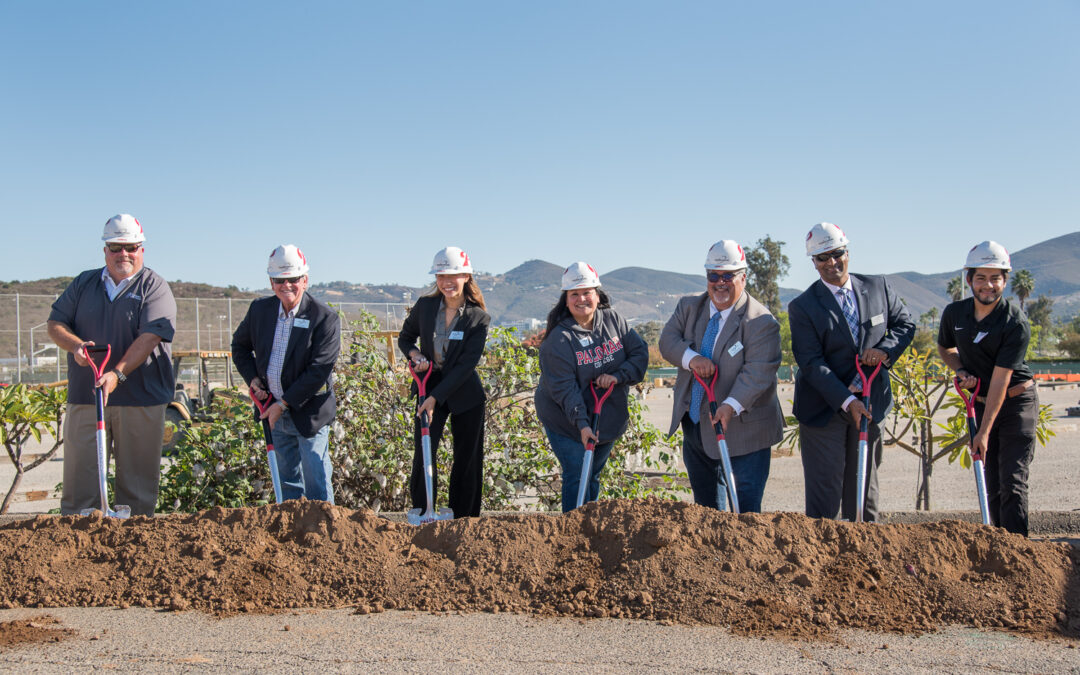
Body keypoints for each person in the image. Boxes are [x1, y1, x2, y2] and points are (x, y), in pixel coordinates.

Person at [47, 214, 177, 516]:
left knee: (137, 492)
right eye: (116, 247)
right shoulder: (83, 283)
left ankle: (135, 551)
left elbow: (150, 337)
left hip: (141, 399)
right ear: (105, 250)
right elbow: (55, 324)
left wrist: (117, 373)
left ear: (141, 249)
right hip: (86, 397)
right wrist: (75, 345)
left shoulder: (154, 287)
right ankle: (76, 552)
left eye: (131, 247)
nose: (124, 254)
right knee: (80, 491)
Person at [788, 222, 915, 522]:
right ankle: (822, 562)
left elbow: (905, 325)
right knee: (825, 499)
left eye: (837, 253)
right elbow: (811, 362)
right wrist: (847, 401)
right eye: (822, 258)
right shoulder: (803, 306)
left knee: (864, 493)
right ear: (814, 263)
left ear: (847, 251)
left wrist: (885, 350)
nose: (832, 263)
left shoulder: (878, 287)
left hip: (871, 402)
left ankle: (865, 561)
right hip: (824, 407)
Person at [659, 240, 784, 512]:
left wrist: (729, 406)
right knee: (708, 515)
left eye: (728, 275)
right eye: (713, 276)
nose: (720, 283)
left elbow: (759, 372)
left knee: (746, 512)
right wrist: (693, 359)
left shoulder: (761, 321)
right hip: (696, 428)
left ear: (743, 277)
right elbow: (667, 341)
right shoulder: (689, 307)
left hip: (744, 431)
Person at [938, 241, 1037, 536]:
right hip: (982, 401)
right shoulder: (955, 314)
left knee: (1012, 484)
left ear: (1005, 280)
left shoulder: (1014, 322)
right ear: (969, 279)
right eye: (981, 277)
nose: (988, 285)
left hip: (1016, 403)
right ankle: (997, 549)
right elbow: (945, 348)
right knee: (991, 483)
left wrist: (983, 432)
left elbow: (1000, 379)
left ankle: (1019, 554)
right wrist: (961, 370)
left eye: (996, 278)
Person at [535, 262, 649, 512]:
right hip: (566, 419)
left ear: (597, 295)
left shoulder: (614, 320)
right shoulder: (558, 340)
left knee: (593, 475)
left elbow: (639, 354)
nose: (581, 299)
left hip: (607, 414)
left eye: (587, 292)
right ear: (565, 300)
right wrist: (583, 425)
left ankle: (591, 528)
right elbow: (565, 389)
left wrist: (617, 376)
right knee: (577, 473)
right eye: (574, 294)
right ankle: (572, 532)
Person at [232, 245, 341, 503]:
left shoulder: (323, 317)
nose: (287, 285)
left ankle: (323, 534)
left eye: (293, 279)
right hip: (273, 413)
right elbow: (240, 347)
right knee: (286, 483)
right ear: (271, 282)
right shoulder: (260, 311)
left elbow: (319, 370)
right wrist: (254, 380)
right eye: (280, 280)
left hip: (309, 413)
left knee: (316, 481)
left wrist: (284, 403)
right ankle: (292, 537)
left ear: (305, 280)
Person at [398, 246, 491, 518]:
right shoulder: (425, 307)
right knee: (424, 449)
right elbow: (406, 338)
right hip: (428, 383)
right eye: (441, 276)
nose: (447, 282)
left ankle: (463, 517)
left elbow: (465, 366)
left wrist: (434, 398)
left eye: (454, 275)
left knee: (467, 457)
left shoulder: (478, 318)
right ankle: (423, 510)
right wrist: (415, 355)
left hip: (464, 391)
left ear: (466, 277)